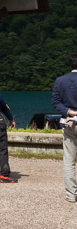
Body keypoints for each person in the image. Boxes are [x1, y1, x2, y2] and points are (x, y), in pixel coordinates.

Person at [52, 53, 77, 202]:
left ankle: (71, 194)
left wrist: (69, 111)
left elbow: (55, 102)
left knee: (69, 159)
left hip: (69, 123)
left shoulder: (60, 80)